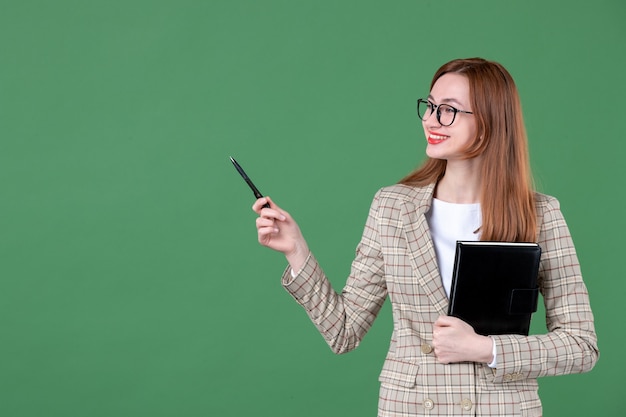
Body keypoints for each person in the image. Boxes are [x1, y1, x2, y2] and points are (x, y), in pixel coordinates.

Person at [252, 57, 599, 417]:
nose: (430, 120)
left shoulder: (538, 214)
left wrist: (484, 348)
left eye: (448, 110)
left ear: (491, 122)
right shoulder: (392, 207)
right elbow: (343, 331)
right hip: (412, 408)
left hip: (502, 408)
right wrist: (296, 250)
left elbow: (581, 345)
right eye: (430, 106)